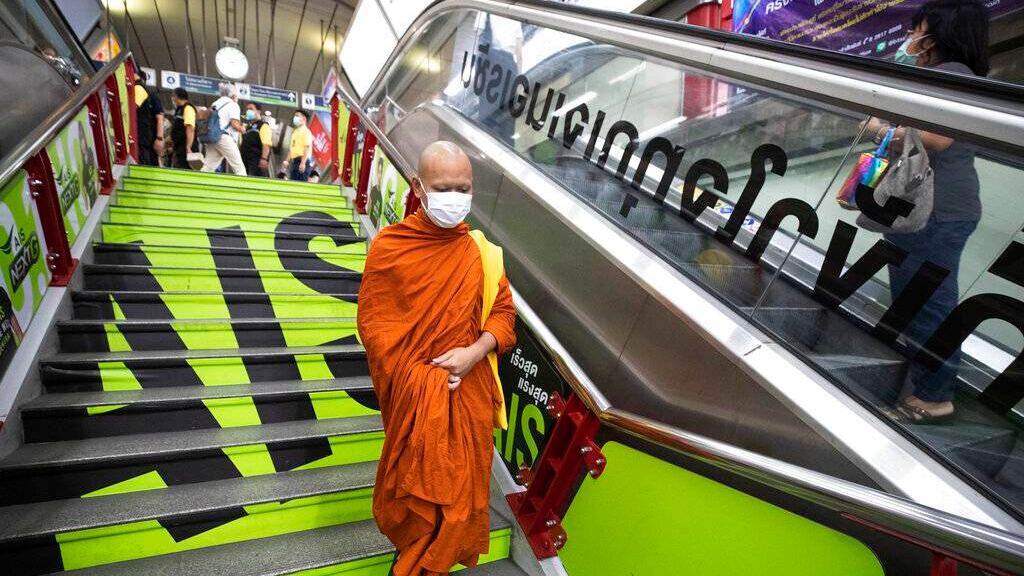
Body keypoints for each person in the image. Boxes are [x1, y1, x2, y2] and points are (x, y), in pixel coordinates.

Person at [357, 141, 516, 576]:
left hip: (467, 399)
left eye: (463, 188)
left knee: (458, 508)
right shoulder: (391, 248)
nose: (455, 197)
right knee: (418, 508)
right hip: (418, 403)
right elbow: (375, 330)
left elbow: (503, 315)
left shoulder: (481, 253)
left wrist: (473, 353)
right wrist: (424, 379)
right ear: (418, 187)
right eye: (443, 188)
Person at [872, 0, 989, 424]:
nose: (910, 38)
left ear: (938, 34)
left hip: (936, 210)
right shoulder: (946, 77)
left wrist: (882, 130)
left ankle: (935, 396)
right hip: (927, 206)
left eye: (917, 29)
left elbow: (936, 139)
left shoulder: (953, 76)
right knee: (916, 300)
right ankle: (928, 383)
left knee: (926, 303)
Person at [201, 83, 246, 175]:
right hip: (223, 137)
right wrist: (242, 129)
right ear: (233, 95)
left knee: (208, 167)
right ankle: (245, 184)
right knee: (239, 167)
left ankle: (197, 182)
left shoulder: (214, 104)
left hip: (211, 137)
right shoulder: (233, 104)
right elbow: (234, 124)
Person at [133, 70, 164, 166]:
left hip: (147, 135)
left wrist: (159, 138)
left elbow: (160, 118)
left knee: (146, 161)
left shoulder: (149, 94)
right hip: (145, 134)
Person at [240, 101, 272, 177]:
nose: (248, 111)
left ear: (258, 111)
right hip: (245, 161)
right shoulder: (248, 127)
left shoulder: (263, 126)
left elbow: (266, 144)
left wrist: (264, 159)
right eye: (247, 109)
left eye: (251, 109)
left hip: (256, 161)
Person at [170, 88, 199, 169]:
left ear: (177, 96)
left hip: (186, 147)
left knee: (185, 170)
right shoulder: (179, 109)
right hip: (179, 147)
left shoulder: (188, 108)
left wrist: (188, 147)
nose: (172, 99)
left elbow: (190, 128)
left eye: (173, 96)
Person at [287, 110, 313, 181]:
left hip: (302, 161)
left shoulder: (306, 131)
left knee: (299, 184)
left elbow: (307, 147)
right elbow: (291, 149)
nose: (295, 118)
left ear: (304, 118)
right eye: (295, 116)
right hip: (295, 162)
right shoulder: (295, 132)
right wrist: (287, 161)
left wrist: (303, 163)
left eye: (297, 116)